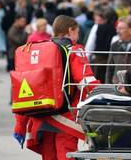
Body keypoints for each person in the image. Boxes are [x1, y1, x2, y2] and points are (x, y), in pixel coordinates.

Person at [13, 15, 98, 160]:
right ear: (70, 31)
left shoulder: (39, 50)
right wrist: (103, 96)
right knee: (65, 154)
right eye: (77, 32)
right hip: (65, 117)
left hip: (40, 116)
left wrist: (20, 126)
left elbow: (25, 89)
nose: (77, 36)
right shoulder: (73, 50)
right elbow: (85, 82)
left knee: (49, 156)